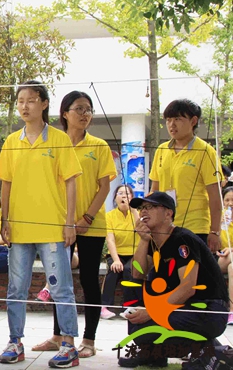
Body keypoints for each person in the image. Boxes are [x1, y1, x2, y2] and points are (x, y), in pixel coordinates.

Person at [0, 81, 82, 368]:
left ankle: (68, 345)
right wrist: (4, 220)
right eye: (20, 101)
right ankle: (15, 342)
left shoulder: (59, 139)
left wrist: (69, 223)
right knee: (16, 289)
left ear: (44, 104)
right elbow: (5, 184)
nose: (24, 106)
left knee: (61, 289)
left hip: (52, 229)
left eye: (31, 100)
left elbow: (71, 182)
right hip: (19, 229)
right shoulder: (11, 141)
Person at [36, 91, 116, 359]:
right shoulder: (55, 144)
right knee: (58, 280)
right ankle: (58, 336)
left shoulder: (99, 146)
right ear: (65, 113)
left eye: (88, 109)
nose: (85, 114)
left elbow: (104, 187)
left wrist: (87, 218)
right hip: (60, 224)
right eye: (79, 109)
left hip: (92, 224)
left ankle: (89, 340)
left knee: (89, 280)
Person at [118, 192, 229, 368]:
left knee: (146, 328)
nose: (144, 211)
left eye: (150, 207)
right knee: (136, 304)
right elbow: (137, 274)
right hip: (184, 307)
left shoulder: (183, 239)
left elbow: (188, 287)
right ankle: (153, 355)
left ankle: (209, 350)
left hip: (208, 309)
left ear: (168, 213)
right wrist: (143, 240)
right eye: (142, 208)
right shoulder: (154, 241)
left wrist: (153, 311)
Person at [149, 99, 221, 252]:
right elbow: (154, 191)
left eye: (178, 119)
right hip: (164, 227)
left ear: (193, 121)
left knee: (190, 267)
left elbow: (215, 196)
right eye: (168, 120)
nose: (172, 125)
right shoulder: (161, 150)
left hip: (195, 227)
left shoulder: (206, 151)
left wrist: (215, 231)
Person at [100, 185, 139, 319]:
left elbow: (143, 230)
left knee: (129, 269)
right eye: (120, 193)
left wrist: (133, 210)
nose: (123, 196)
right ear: (115, 198)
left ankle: (130, 306)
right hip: (117, 252)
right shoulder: (109, 216)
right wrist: (116, 260)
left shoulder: (137, 214)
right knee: (113, 270)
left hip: (135, 253)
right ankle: (104, 306)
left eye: (127, 194)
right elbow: (110, 240)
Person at [216, 186, 233, 325]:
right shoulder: (218, 218)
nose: (230, 203)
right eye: (227, 200)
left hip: (231, 257)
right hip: (220, 258)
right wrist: (219, 225)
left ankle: (231, 310)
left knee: (232, 267)